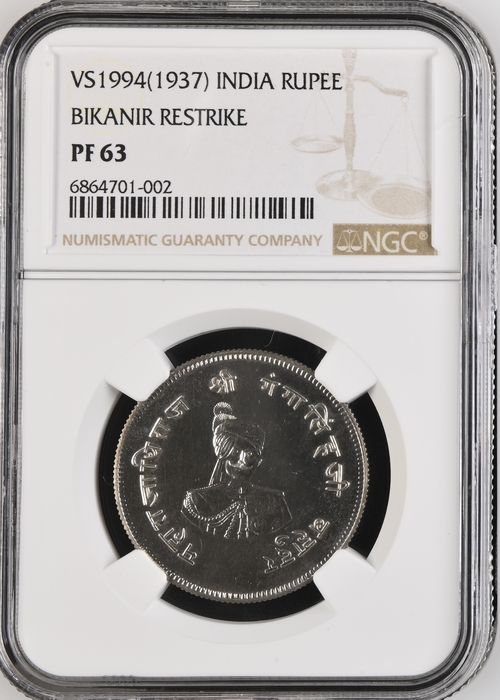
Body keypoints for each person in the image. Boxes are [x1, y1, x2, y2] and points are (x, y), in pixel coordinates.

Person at [182, 402, 292, 540]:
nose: (242, 461)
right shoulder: (197, 501)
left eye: (250, 455)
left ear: (258, 462)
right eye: (235, 452)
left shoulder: (275, 502)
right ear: (223, 454)